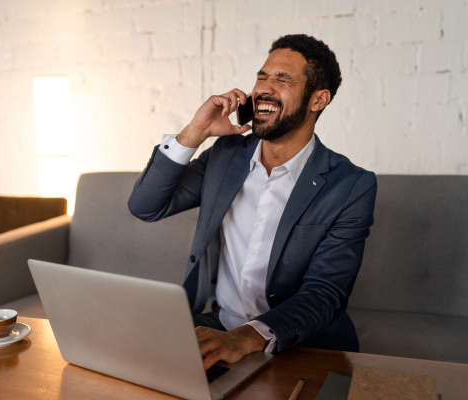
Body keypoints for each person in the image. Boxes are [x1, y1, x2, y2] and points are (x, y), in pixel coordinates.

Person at [128, 34, 377, 370]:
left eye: (282, 79)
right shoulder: (226, 156)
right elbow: (145, 206)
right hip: (219, 328)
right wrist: (196, 131)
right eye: (261, 76)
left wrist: (244, 339)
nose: (263, 88)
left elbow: (323, 294)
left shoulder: (350, 185)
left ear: (318, 100)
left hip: (300, 341)